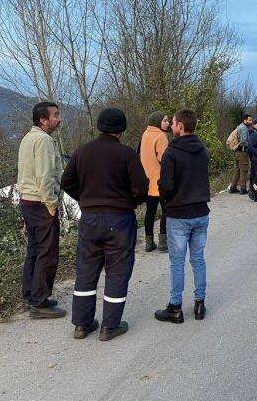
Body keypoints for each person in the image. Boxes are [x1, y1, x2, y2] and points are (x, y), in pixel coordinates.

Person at [61, 108, 149, 340]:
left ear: (99, 126)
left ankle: (82, 324)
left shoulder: (82, 152)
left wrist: (85, 198)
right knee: (117, 271)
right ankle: (110, 326)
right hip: (119, 219)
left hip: (90, 219)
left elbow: (66, 181)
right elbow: (141, 187)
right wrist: (130, 201)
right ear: (122, 128)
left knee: (87, 270)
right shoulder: (126, 154)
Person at [154, 108, 212, 324]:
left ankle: (175, 307)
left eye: (174, 123)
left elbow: (166, 185)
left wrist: (165, 197)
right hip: (201, 212)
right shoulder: (203, 150)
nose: (172, 126)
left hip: (179, 214)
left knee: (177, 262)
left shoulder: (171, 152)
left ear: (180, 126)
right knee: (198, 259)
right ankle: (200, 304)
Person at [17, 101, 66, 319]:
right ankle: (40, 302)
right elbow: (45, 175)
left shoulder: (28, 138)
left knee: (34, 250)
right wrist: (51, 204)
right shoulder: (44, 141)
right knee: (47, 252)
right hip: (40, 202)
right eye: (55, 115)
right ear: (43, 120)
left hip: (27, 201)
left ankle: (30, 296)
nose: (59, 118)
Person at [140, 111, 170, 252]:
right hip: (160, 181)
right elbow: (164, 160)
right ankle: (163, 242)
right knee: (166, 211)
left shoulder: (145, 134)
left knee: (150, 212)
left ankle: (149, 242)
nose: (167, 123)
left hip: (147, 181)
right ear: (158, 121)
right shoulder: (161, 136)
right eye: (165, 120)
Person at [228, 114, 253, 195]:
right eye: (249, 120)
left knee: (238, 170)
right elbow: (244, 141)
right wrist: (250, 146)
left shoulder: (239, 127)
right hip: (242, 152)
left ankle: (233, 187)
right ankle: (243, 188)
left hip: (237, 152)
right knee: (244, 170)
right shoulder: (244, 128)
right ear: (244, 120)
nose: (251, 122)